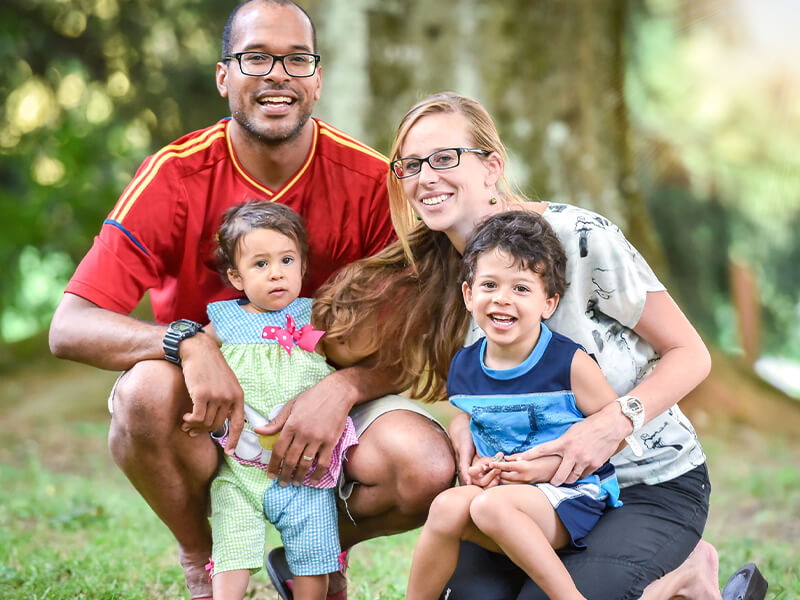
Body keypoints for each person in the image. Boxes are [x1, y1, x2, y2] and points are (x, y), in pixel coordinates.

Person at [47, 2, 455, 598]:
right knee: (142, 394)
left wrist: (343, 389)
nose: (277, 75)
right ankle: (205, 557)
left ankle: (310, 552)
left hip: (325, 408)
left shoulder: (373, 182)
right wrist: (186, 342)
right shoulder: (175, 176)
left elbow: (414, 336)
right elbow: (70, 326)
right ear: (224, 77)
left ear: (317, 78)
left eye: (296, 60)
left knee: (424, 467)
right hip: (208, 406)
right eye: (256, 57)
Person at [314, 91, 761, 599]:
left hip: (640, 485)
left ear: (491, 167)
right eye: (410, 165)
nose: (425, 177)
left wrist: (611, 424)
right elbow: (486, 382)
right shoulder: (444, 279)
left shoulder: (578, 238)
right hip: (522, 500)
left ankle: (683, 571)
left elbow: (691, 353)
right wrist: (464, 423)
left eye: (443, 158)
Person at [406, 210, 623, 600]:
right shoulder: (464, 367)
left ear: (549, 303)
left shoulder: (569, 364)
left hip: (570, 495)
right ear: (469, 295)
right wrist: (477, 463)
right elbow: (474, 420)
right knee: (446, 506)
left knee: (491, 507)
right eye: (489, 284)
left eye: (521, 288)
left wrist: (545, 467)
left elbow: (614, 433)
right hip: (503, 496)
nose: (502, 298)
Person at [206, 201, 359, 600]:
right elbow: (198, 359)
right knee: (232, 540)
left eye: (286, 260)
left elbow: (349, 357)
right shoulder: (224, 321)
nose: (276, 272)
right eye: (260, 264)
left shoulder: (316, 314)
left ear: (303, 267)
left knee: (313, 548)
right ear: (235, 277)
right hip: (240, 466)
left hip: (304, 464)